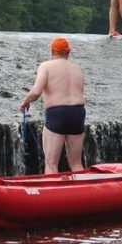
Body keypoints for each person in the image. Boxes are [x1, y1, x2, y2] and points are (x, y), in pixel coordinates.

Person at [19, 37, 86, 174]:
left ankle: (50, 192)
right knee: (76, 163)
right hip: (78, 112)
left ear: (52, 51)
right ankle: (83, 192)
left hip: (58, 113)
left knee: (51, 163)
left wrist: (26, 102)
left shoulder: (46, 66)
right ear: (68, 52)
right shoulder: (77, 69)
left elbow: (36, 92)